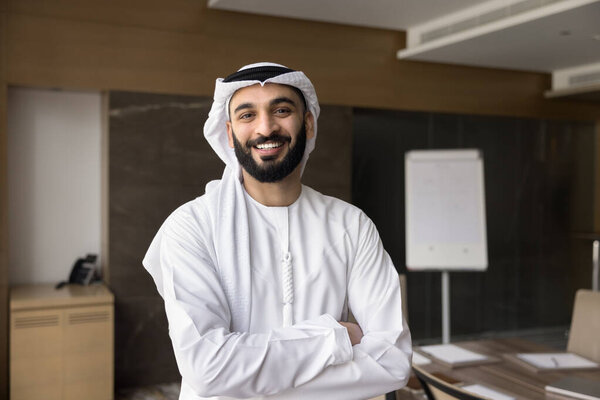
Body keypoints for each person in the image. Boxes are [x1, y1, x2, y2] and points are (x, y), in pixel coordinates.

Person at [143, 62, 412, 400]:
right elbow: (207, 369)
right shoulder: (192, 226)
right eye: (247, 115)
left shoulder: (351, 225)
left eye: (281, 110)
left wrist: (247, 380)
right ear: (229, 134)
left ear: (308, 123)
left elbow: (393, 361)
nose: (266, 127)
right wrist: (333, 338)